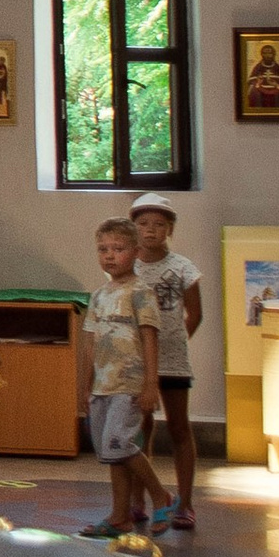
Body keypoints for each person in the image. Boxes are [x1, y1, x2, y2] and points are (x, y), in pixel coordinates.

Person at [80, 217, 168, 539]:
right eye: (103, 249)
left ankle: (160, 495)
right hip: (102, 385)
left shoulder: (140, 293)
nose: (109, 255)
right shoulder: (99, 296)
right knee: (110, 452)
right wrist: (84, 386)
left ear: (134, 251)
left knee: (120, 442)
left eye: (118, 249)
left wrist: (150, 383)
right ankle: (119, 517)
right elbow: (89, 344)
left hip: (129, 383)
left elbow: (149, 339)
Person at [129, 194, 203, 530]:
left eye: (159, 224)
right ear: (134, 228)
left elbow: (195, 313)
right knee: (139, 426)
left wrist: (174, 344)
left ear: (170, 228)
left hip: (173, 359)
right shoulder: (128, 265)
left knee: (178, 426)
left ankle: (185, 502)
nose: (151, 231)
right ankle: (137, 498)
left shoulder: (183, 268)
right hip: (136, 358)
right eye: (143, 224)